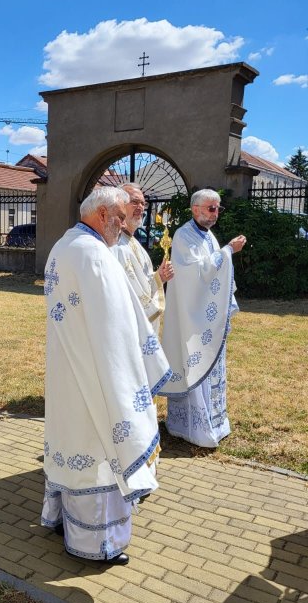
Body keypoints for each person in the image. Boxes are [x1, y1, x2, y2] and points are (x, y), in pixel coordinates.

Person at [42, 187, 171, 563]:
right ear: (101, 214)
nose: (121, 224)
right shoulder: (97, 256)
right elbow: (118, 328)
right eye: (118, 216)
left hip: (67, 367)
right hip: (95, 372)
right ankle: (98, 544)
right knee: (99, 447)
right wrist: (133, 373)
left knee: (70, 440)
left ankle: (60, 518)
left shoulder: (62, 247)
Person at [159, 189, 246, 447]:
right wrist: (229, 250)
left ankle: (213, 420)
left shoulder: (207, 235)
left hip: (205, 317)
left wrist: (225, 252)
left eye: (218, 208)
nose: (215, 213)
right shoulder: (184, 235)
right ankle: (190, 425)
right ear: (195, 209)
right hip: (190, 318)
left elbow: (211, 269)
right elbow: (199, 272)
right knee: (193, 363)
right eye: (211, 208)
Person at [112, 183, 174, 333]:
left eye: (143, 203)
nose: (140, 207)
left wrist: (159, 276)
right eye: (134, 202)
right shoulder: (114, 243)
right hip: (125, 321)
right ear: (119, 204)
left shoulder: (134, 243)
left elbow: (142, 280)